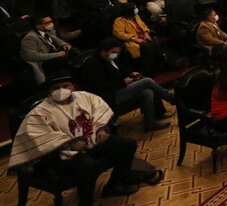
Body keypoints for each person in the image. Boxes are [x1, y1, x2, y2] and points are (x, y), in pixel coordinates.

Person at [8, 73, 139, 204]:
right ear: (49, 91)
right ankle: (85, 202)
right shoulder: (39, 112)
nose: (61, 90)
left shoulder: (85, 96)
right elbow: (38, 134)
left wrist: (102, 128)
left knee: (128, 145)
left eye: (65, 86)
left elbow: (100, 110)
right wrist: (69, 144)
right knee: (88, 166)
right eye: (56, 88)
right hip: (63, 154)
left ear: (73, 86)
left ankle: (114, 185)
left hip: (93, 140)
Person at [80, 38, 175, 131]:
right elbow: (100, 86)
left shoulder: (109, 58)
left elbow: (121, 68)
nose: (116, 54)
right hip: (108, 96)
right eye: (114, 52)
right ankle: (172, 98)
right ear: (103, 51)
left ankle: (150, 123)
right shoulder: (93, 64)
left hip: (118, 90)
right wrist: (123, 82)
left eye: (117, 52)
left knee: (147, 92)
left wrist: (131, 73)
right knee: (147, 81)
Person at [112, 2, 166, 75]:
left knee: (155, 44)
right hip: (132, 40)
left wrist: (146, 33)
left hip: (143, 36)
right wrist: (134, 39)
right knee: (145, 47)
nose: (136, 10)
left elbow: (143, 25)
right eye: (134, 8)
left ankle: (159, 66)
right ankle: (148, 70)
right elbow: (119, 34)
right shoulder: (119, 20)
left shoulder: (136, 16)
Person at [20, 15, 72, 85]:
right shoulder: (30, 38)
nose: (51, 24)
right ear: (38, 26)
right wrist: (57, 54)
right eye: (48, 23)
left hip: (52, 55)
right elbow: (31, 56)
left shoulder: (47, 31)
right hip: (43, 62)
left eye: (51, 21)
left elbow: (54, 38)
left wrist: (64, 44)